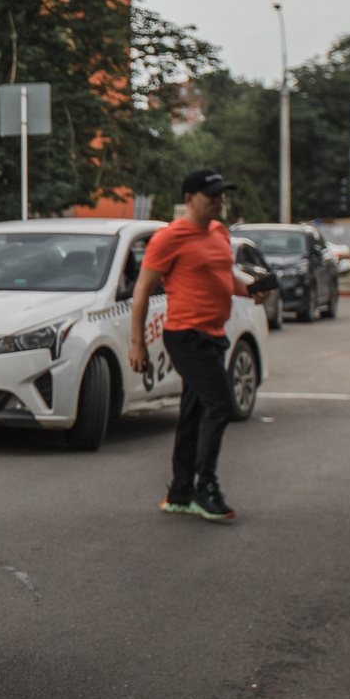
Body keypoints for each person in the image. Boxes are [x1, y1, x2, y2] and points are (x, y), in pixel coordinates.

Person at [130, 169, 258, 522]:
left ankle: (180, 492)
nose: (219, 201)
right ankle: (206, 487)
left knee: (194, 412)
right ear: (189, 199)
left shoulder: (219, 232)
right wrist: (137, 344)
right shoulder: (169, 238)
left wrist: (251, 289)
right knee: (220, 405)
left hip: (214, 333)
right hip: (185, 336)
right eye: (211, 195)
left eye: (221, 195)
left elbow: (225, 277)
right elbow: (142, 291)